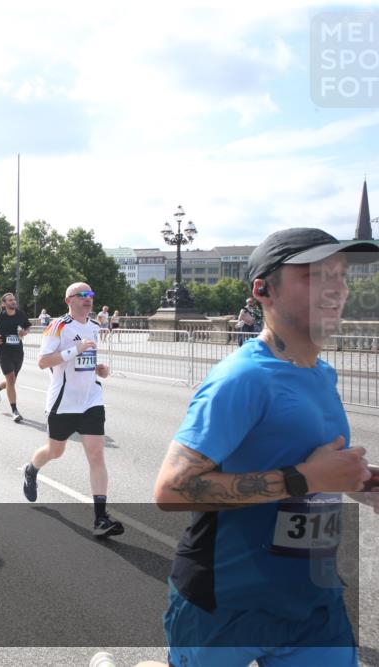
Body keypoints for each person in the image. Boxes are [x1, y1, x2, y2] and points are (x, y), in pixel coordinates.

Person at [153, 228, 379, 667]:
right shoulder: (242, 378)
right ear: (263, 290)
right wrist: (305, 478)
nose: (337, 287)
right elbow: (171, 489)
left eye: (340, 275)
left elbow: (316, 467)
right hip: (227, 602)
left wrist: (362, 482)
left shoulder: (323, 375)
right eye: (315, 274)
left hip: (312, 600)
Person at [22, 283, 124, 538]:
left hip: (91, 399)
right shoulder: (58, 326)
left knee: (96, 454)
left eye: (91, 294)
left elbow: (87, 360)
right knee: (55, 451)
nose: (89, 299)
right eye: (83, 295)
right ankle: (31, 469)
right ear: (69, 299)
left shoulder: (95, 326)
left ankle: (101, 518)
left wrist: (100, 368)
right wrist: (74, 349)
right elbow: (43, 361)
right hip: (63, 403)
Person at [0, 292, 31, 423]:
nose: (13, 302)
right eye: (10, 300)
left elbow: (28, 326)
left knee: (11, 381)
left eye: (14, 300)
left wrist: (25, 332)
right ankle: (14, 411)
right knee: (11, 380)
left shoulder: (20, 314)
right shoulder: (0, 317)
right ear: (4, 303)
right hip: (4, 352)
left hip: (18, 352)